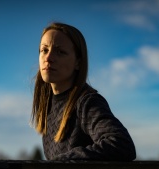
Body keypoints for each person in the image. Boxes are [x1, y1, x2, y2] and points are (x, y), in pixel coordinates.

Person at [30, 22, 136, 161]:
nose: (48, 58)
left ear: (78, 62)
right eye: (44, 50)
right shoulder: (48, 107)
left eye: (60, 52)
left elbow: (121, 144)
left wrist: (59, 162)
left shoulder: (86, 102)